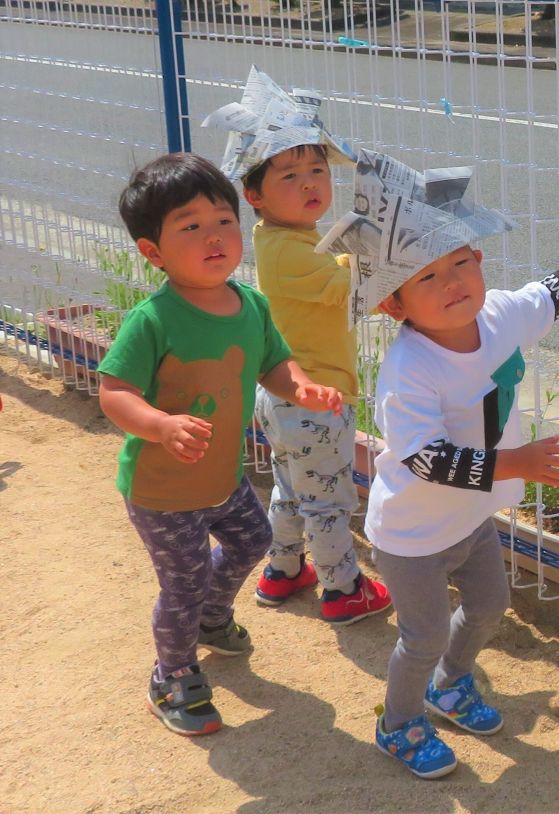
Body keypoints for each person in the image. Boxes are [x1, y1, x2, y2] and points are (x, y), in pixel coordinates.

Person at [345, 154, 559, 777]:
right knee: (421, 635)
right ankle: (397, 723)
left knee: (489, 605)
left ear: (480, 261)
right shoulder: (410, 371)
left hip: (471, 519)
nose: (452, 281)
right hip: (411, 535)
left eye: (460, 261)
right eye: (427, 277)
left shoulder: (499, 316)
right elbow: (426, 459)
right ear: (393, 306)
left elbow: (551, 294)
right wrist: (517, 463)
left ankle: (450, 684)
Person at [97, 152, 344, 736]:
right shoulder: (152, 320)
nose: (214, 237)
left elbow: (275, 366)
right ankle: (172, 674)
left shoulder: (250, 304)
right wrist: (159, 424)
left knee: (254, 537)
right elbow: (114, 393)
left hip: (223, 478)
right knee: (180, 583)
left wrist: (303, 390)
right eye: (190, 227)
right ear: (152, 252)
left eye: (224, 221)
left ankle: (211, 617)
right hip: (162, 491)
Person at [205, 68, 392, 624]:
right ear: (254, 193)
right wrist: (380, 247)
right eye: (290, 174)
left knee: (293, 488)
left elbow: (329, 271)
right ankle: (343, 588)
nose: (311, 182)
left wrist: (345, 256)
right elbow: (347, 288)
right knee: (329, 499)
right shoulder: (289, 249)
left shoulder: (283, 239)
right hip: (315, 398)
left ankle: (284, 570)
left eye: (317, 169)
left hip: (287, 398)